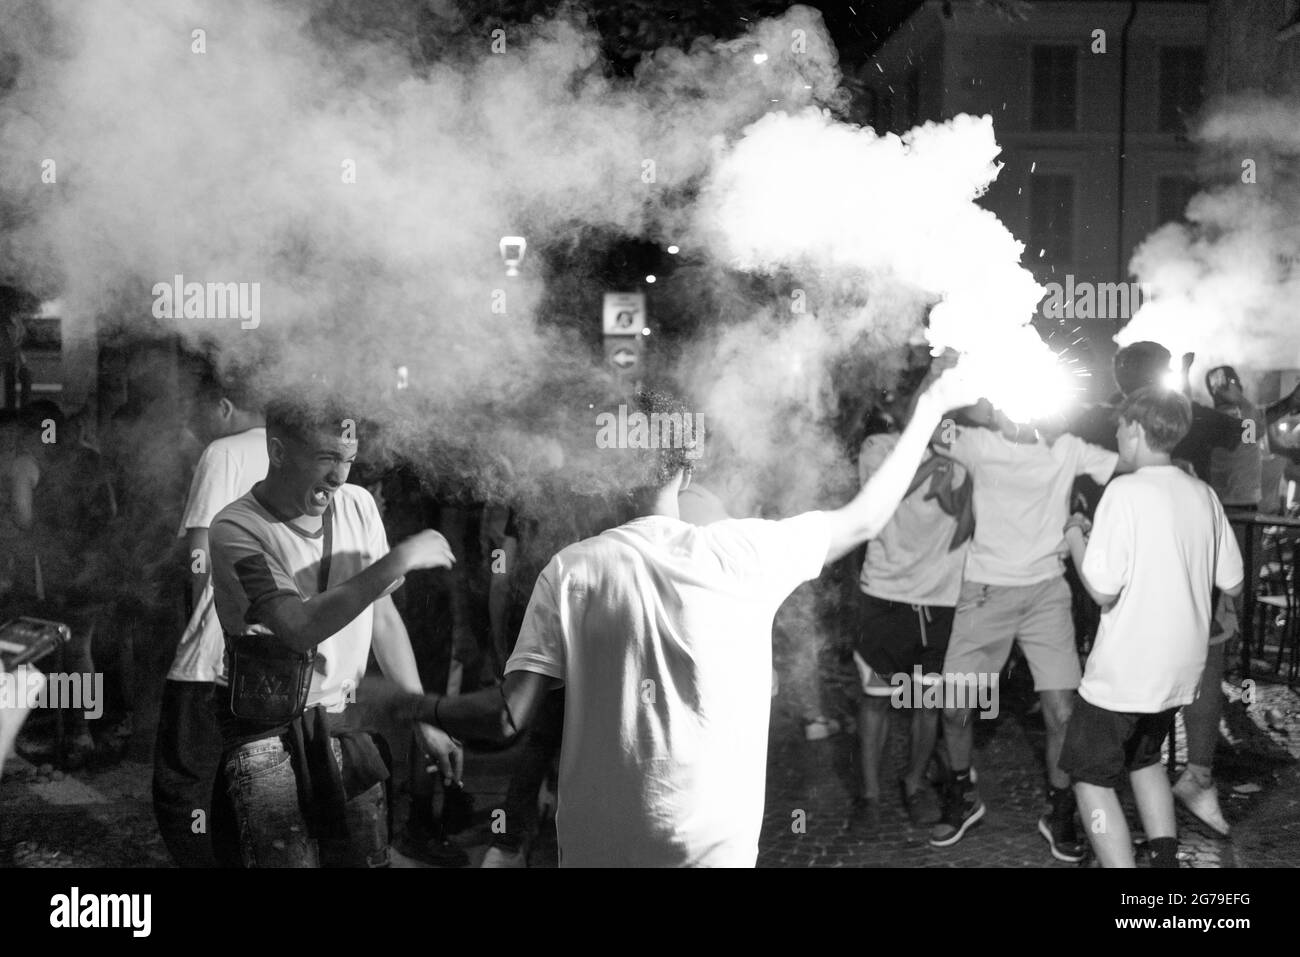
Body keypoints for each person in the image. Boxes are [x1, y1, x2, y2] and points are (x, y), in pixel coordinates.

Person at [394, 365, 976, 866]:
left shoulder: (574, 571)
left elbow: (506, 719)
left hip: (601, 851)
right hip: (711, 853)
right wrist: (929, 407)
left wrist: (413, 705)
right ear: (688, 470)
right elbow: (866, 519)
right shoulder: (742, 553)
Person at [207, 391, 463, 867]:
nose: (339, 476)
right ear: (279, 452)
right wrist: (400, 560)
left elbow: (383, 617)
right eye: (326, 457)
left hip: (345, 725)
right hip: (266, 738)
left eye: (348, 458)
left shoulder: (359, 504)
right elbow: (295, 628)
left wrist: (423, 715)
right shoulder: (235, 531)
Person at [929, 400, 1120, 862]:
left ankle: (1058, 812)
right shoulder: (976, 442)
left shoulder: (1066, 448)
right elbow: (929, 427)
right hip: (984, 591)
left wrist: (1176, 467)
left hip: (1045, 593)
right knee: (954, 708)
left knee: (1062, 712)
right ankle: (962, 795)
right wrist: (956, 388)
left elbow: (1129, 463)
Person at [1061, 387, 1243, 867]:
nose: (1118, 433)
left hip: (1126, 671)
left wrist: (1077, 538)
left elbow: (1101, 589)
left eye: (1121, 426)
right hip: (1179, 669)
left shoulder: (1125, 491)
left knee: (1090, 779)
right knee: (1144, 760)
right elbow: (1232, 577)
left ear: (1138, 430)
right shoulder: (1200, 491)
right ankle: (1163, 864)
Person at [152, 364, 267, 867]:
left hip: (214, 653)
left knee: (182, 785)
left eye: (203, 412)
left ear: (224, 406)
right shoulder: (295, 455)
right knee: (245, 778)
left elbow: (201, 553)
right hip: (273, 653)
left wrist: (195, 623)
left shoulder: (223, 452)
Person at [847, 367, 971, 834]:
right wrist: (928, 465)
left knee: (926, 702)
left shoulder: (960, 454)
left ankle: (915, 784)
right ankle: (869, 796)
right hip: (884, 596)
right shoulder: (878, 449)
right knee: (876, 699)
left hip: (939, 599)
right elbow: (880, 499)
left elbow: (966, 523)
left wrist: (953, 492)